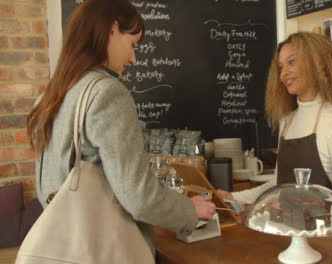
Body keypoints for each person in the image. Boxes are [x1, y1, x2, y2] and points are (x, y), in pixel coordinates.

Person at [26, 0, 215, 256]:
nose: (134, 58)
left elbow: (45, 190)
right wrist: (188, 210)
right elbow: (139, 197)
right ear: (112, 29)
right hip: (105, 250)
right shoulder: (107, 93)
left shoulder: (49, 98)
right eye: (132, 44)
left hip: (64, 248)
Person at [217, 32, 332, 208]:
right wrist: (235, 197)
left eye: (291, 62)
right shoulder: (287, 121)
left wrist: (289, 206)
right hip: (285, 230)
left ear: (316, 64)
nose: (284, 74)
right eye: (281, 67)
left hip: (324, 233)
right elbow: (278, 183)